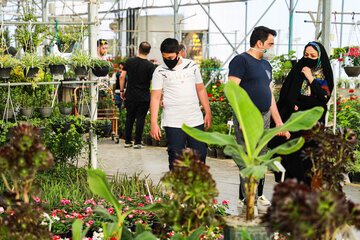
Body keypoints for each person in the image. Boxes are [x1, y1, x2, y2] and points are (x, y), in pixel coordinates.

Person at [228, 26, 290, 214]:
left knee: (260, 158)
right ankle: (248, 201)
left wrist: (278, 121)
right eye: (271, 44)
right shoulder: (241, 61)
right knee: (247, 160)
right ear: (260, 43)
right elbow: (233, 92)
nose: (272, 47)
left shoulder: (266, 65)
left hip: (264, 116)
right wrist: (240, 118)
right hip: (247, 117)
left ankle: (253, 196)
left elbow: (269, 94)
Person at [270, 41, 334, 185]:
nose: (308, 58)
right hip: (295, 120)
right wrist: (294, 104)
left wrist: (310, 77)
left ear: (319, 57)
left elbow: (324, 98)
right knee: (292, 156)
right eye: (306, 55)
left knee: (308, 158)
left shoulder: (324, 75)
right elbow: (287, 94)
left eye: (312, 55)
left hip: (313, 123)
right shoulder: (298, 69)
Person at [150, 38, 211, 170]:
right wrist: (153, 123)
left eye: (171, 57)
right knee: (176, 156)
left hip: (194, 118)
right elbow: (155, 98)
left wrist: (208, 111)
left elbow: (200, 89)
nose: (168, 61)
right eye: (165, 58)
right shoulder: (159, 71)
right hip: (173, 121)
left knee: (200, 154)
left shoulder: (192, 66)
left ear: (179, 53)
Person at [120, 42, 155, 149]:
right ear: (149, 52)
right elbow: (153, 82)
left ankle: (127, 141)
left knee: (129, 117)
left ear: (138, 50)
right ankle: (138, 142)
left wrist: (122, 90)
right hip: (144, 96)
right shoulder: (150, 66)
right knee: (140, 118)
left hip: (130, 95)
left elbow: (122, 77)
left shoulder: (129, 61)